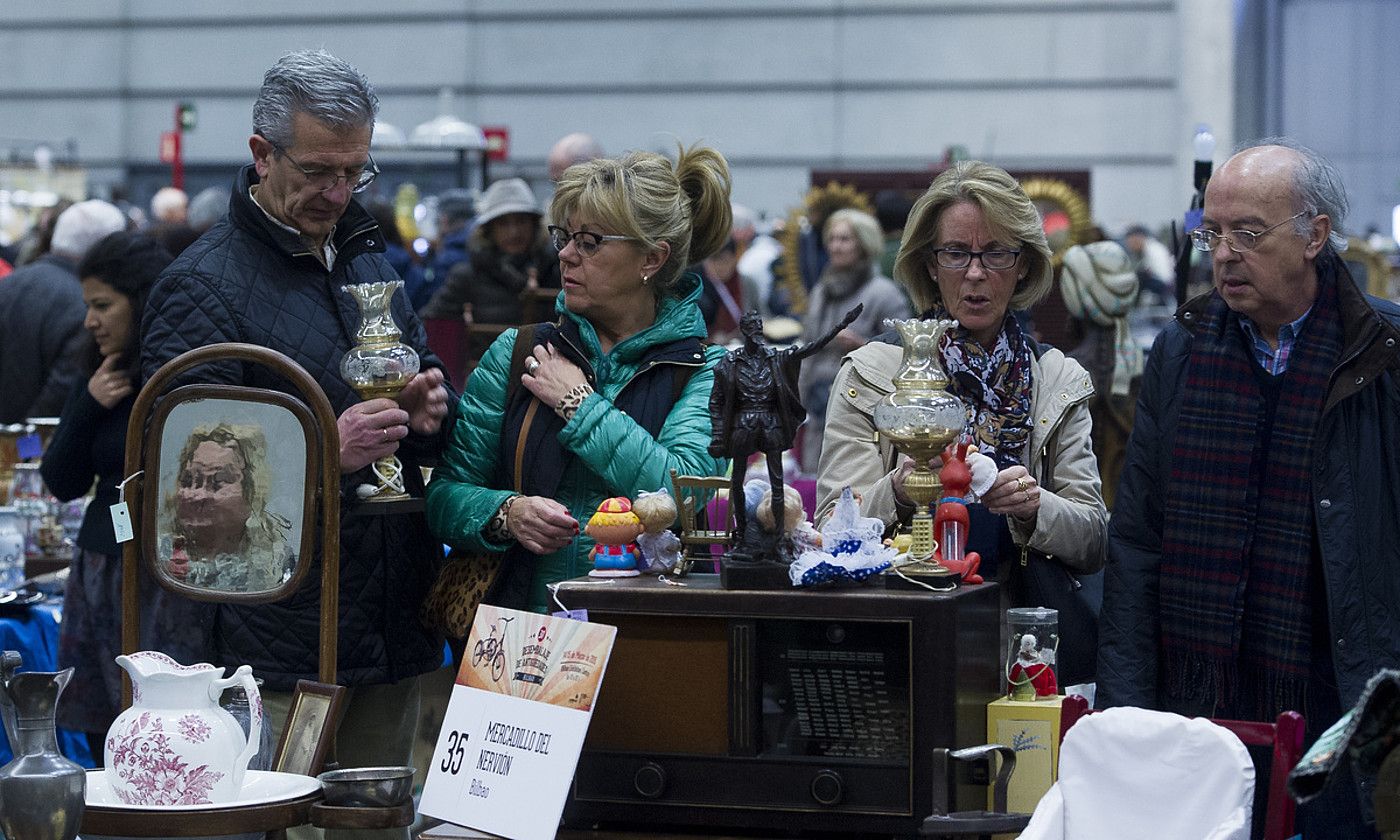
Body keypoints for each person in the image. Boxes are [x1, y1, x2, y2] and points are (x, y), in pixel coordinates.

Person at [141, 49, 451, 840]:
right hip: (273, 645)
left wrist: (424, 403)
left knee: (376, 827)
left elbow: (411, 360)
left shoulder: (365, 255)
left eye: (356, 171)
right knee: (272, 825)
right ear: (261, 154)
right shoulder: (200, 285)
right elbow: (185, 479)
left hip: (386, 616)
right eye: (318, 171)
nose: (338, 193)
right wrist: (324, 447)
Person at [1099, 139, 1400, 838]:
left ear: (1314, 236)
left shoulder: (1381, 351)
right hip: (1197, 706)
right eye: (1213, 233)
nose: (1225, 253)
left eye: (1248, 234)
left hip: (1343, 697)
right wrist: (1125, 709)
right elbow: (1139, 539)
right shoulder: (1182, 349)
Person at [426, 143, 731, 614]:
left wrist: (579, 404)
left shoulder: (704, 370)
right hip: (518, 633)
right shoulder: (518, 351)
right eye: (563, 237)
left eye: (589, 242)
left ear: (651, 259)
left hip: (654, 634)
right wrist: (506, 513)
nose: (566, 255)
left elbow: (680, 498)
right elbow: (444, 496)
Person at [815, 160, 1107, 622]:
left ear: (1023, 265)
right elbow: (830, 528)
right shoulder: (871, 374)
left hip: (1023, 633)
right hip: (903, 623)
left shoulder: (1056, 378)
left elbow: (1093, 539)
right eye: (955, 253)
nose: (974, 273)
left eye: (995, 254)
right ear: (930, 265)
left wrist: (1034, 508)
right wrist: (899, 490)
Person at [39, 230, 203, 763]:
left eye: (103, 305)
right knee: (102, 726)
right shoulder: (98, 373)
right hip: (99, 568)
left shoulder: (175, 374)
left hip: (165, 572)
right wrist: (87, 404)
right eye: (88, 306)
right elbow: (60, 479)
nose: (91, 320)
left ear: (140, 298)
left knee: (162, 724)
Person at [710, 307, 861, 556]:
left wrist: (839, 326)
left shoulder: (776, 358)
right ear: (746, 332)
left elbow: (811, 347)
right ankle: (742, 537)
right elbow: (716, 400)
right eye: (753, 328)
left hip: (770, 423)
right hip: (743, 423)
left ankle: (779, 538)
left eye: (760, 327)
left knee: (777, 484)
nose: (757, 332)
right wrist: (717, 433)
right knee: (737, 481)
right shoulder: (730, 362)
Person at [797, 208, 912, 472]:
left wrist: (863, 346)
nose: (835, 247)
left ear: (864, 244)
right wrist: (796, 401)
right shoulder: (820, 292)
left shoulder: (885, 294)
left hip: (864, 410)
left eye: (845, 239)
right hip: (817, 409)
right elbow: (806, 349)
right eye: (832, 239)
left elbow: (905, 353)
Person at [0, 199, 127, 423]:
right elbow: (63, 391)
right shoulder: (92, 306)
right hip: (40, 442)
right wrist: (24, 443)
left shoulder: (9, 282)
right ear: (107, 246)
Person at [162, 423, 296, 593]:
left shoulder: (277, 566)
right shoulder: (155, 556)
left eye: (219, 481)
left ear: (252, 492)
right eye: (189, 481)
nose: (199, 495)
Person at [1059, 240, 1143, 510]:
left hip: (1084, 513)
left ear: (1075, 297)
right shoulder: (1138, 363)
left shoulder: (1070, 369)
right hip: (1129, 510)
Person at [421, 177, 560, 328]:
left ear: (534, 225)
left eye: (521, 221)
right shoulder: (466, 278)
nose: (514, 232)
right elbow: (429, 324)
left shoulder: (555, 271)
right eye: (503, 224)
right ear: (489, 230)